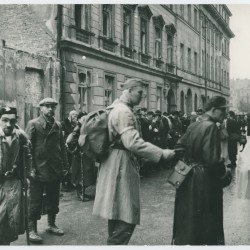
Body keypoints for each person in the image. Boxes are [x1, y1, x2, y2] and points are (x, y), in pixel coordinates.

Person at [92, 78, 176, 245]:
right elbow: (132, 142)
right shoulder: (123, 111)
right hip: (121, 164)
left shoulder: (115, 108)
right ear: (129, 91)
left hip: (114, 162)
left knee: (116, 212)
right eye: (139, 92)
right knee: (127, 215)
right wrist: (161, 153)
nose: (142, 96)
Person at [172, 96, 232, 245]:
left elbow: (178, 147)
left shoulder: (194, 124)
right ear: (213, 109)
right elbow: (212, 160)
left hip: (189, 177)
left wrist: (189, 161)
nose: (225, 114)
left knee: (190, 221)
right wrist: (225, 173)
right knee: (207, 222)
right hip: (205, 179)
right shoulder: (211, 126)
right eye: (223, 110)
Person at [25, 98, 69, 243]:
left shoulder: (58, 125)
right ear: (41, 108)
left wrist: (65, 166)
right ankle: (32, 229)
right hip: (38, 168)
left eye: (53, 107)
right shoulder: (33, 124)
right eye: (47, 106)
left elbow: (62, 148)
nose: (50, 109)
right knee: (35, 200)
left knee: (53, 198)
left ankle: (51, 224)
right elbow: (27, 149)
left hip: (54, 168)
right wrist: (30, 168)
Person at [0, 107, 31, 245]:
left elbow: (28, 156)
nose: (8, 124)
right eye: (4, 120)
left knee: (12, 218)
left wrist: (27, 176)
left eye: (12, 121)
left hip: (13, 183)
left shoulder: (20, 136)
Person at [66, 112, 95, 202]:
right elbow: (70, 141)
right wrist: (76, 150)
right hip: (80, 155)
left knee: (86, 174)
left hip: (86, 154)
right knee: (80, 175)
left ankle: (82, 192)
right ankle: (80, 194)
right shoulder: (78, 127)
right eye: (83, 118)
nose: (85, 120)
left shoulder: (84, 127)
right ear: (79, 119)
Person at [61, 110, 79, 192]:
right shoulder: (64, 124)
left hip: (72, 148)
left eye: (76, 116)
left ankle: (70, 183)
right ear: (70, 116)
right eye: (74, 116)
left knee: (71, 165)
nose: (75, 117)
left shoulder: (76, 124)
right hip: (65, 147)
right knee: (66, 165)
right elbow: (62, 136)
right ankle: (64, 184)